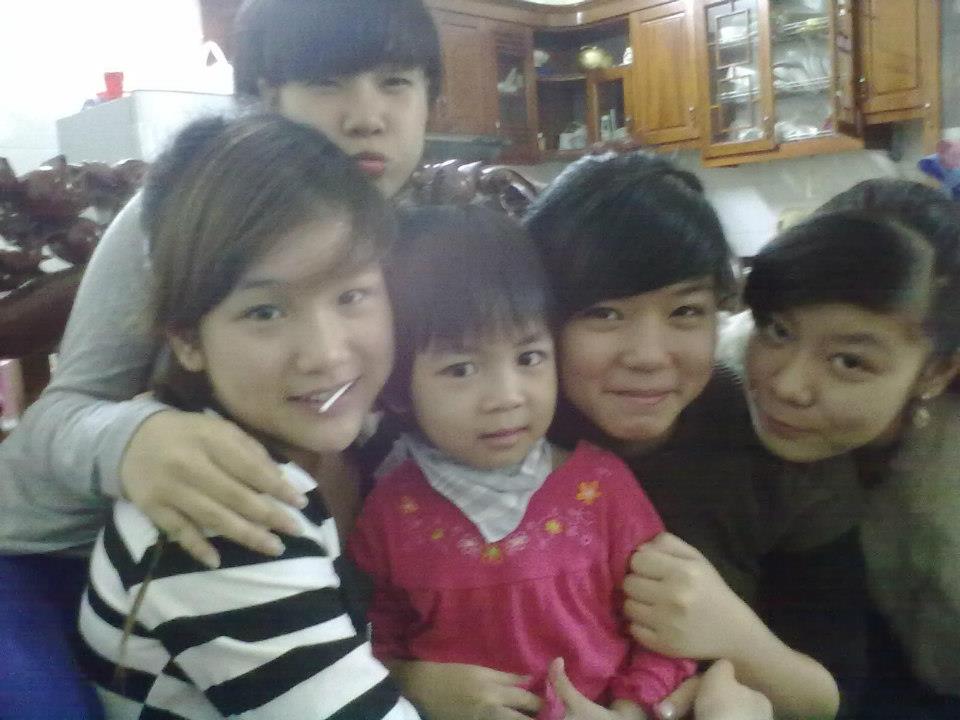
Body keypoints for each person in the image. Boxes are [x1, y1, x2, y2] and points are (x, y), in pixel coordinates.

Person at [0, 1, 439, 716]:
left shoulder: (409, 228)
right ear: (266, 98)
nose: (367, 117)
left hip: (262, 578)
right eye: (326, 82)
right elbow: (55, 419)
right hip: (54, 557)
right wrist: (137, 437)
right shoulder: (179, 216)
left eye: (396, 82)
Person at [79, 112, 421, 719]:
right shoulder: (219, 513)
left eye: (352, 295)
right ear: (188, 339)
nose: (326, 354)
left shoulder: (369, 444)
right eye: (265, 312)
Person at [520, 152, 860, 720]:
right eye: (604, 314)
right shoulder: (494, 436)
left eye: (685, 311)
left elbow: (840, 695)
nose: (649, 357)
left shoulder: (775, 440)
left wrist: (735, 637)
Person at [347, 206, 696, 720]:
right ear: (399, 388)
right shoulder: (389, 513)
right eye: (461, 369)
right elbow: (367, 647)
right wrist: (413, 682)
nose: (507, 397)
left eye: (529, 358)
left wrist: (629, 711)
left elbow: (669, 632)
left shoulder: (602, 488)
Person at [736, 180, 960, 719]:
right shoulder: (713, 381)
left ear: (934, 373)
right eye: (779, 330)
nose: (788, 385)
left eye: (849, 362)